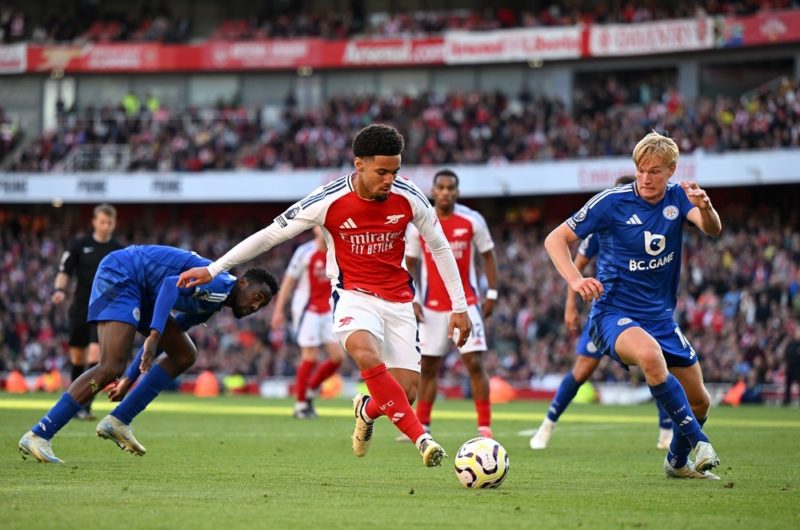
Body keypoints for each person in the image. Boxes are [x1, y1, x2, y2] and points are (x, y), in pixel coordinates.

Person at [177, 124, 472, 468]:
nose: (389, 180)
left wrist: (459, 306)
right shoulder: (328, 200)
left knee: (404, 393)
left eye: (395, 171)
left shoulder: (410, 196)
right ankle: (422, 439)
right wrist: (214, 270)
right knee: (365, 354)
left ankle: (367, 409)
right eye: (382, 172)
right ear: (358, 164)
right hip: (353, 296)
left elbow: (439, 246)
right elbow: (271, 235)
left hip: (399, 300)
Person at [543, 131, 722, 480]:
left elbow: (712, 229)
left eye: (655, 171)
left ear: (671, 170)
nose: (646, 178)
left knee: (700, 401)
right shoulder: (611, 202)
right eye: (641, 170)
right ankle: (700, 442)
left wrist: (706, 207)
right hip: (613, 314)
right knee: (651, 357)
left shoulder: (678, 197)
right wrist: (576, 281)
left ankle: (676, 462)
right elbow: (555, 238)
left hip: (660, 318)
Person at [18, 245, 277, 463]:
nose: (255, 306)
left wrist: (130, 379)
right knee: (110, 366)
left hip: (143, 292)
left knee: (184, 353)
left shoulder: (213, 304)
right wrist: (153, 335)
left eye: (261, 304)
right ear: (243, 282)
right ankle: (40, 434)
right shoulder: (219, 283)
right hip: (123, 273)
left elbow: (166, 337)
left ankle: (118, 420)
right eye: (256, 297)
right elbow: (169, 285)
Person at [530, 176, 674, 450]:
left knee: (657, 363)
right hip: (610, 311)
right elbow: (578, 264)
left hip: (647, 309)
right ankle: (547, 425)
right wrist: (571, 305)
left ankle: (666, 431)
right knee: (582, 371)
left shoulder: (655, 223)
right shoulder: (602, 227)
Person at [404, 169, 498, 439]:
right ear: (432, 191)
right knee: (428, 368)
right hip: (431, 308)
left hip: (465, 305)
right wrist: (414, 297)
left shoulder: (472, 220)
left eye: (450, 188)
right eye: (441, 187)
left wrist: (491, 294)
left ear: (457, 191)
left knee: (475, 365)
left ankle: (484, 427)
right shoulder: (419, 222)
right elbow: (410, 264)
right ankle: (423, 425)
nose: (445, 192)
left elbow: (488, 257)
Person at [52, 203, 123, 420]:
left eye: (109, 222)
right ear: (94, 222)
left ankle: (85, 406)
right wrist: (59, 290)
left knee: (95, 356)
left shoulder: (117, 250)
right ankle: (75, 402)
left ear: (114, 224)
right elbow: (64, 270)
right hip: (80, 307)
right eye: (102, 221)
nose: (105, 226)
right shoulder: (79, 245)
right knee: (76, 357)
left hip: (104, 310)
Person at [270, 227, 344, 419]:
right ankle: (301, 404)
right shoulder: (304, 252)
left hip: (328, 310)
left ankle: (310, 389)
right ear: (315, 229)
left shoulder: (337, 251)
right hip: (306, 310)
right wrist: (278, 310)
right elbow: (288, 282)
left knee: (337, 357)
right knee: (309, 355)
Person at [780, 323, 800, 406]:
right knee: (787, 384)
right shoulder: (790, 343)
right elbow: (784, 354)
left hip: (798, 367)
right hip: (790, 366)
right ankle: (786, 400)